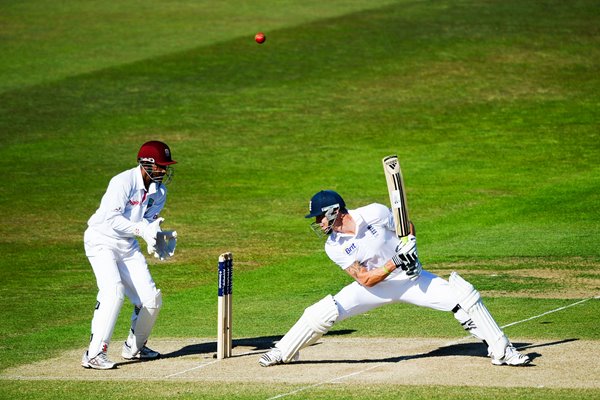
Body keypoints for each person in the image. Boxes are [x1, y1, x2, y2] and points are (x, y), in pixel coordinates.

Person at [259, 190, 530, 367]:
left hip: (412, 280)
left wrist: (410, 244)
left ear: (334, 211)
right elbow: (365, 280)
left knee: (464, 296)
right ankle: (283, 351)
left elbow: (405, 226)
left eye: (319, 217)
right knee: (322, 312)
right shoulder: (334, 246)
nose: (318, 223)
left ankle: (503, 351)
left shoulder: (375, 212)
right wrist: (394, 262)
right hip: (375, 288)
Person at [81, 141, 178, 370]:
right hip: (101, 241)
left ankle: (134, 348)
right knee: (113, 292)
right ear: (146, 164)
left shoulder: (159, 191)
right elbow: (112, 220)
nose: (164, 171)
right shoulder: (122, 182)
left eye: (166, 167)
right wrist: (142, 230)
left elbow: (148, 219)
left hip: (127, 246)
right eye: (160, 167)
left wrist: (155, 235)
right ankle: (94, 354)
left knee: (151, 299)